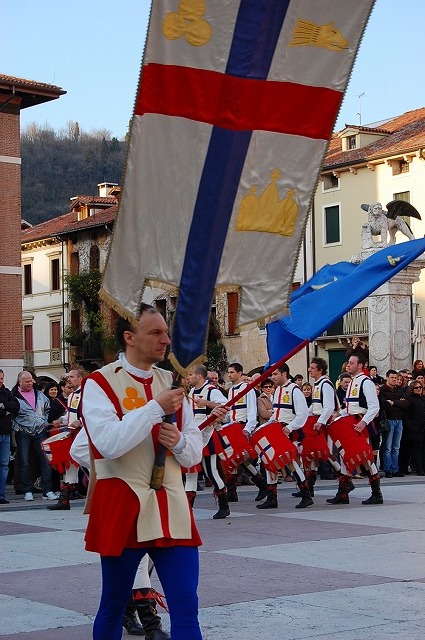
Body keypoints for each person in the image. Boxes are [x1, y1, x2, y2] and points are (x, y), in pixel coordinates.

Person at [81, 303, 224, 640]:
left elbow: (191, 453)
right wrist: (154, 408)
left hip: (171, 507)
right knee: (114, 604)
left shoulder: (172, 382)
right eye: (156, 332)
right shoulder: (99, 383)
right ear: (130, 337)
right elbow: (110, 443)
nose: (166, 340)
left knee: (187, 605)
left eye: (166, 332)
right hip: (123, 505)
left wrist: (176, 442)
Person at [326, 352, 383, 506]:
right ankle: (343, 493)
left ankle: (377, 494)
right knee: (346, 456)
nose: (348, 365)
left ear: (360, 365)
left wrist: (363, 423)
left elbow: (374, 407)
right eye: (348, 362)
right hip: (352, 424)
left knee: (366, 459)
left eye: (352, 363)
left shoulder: (366, 382)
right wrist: (339, 415)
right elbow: (351, 407)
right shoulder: (352, 382)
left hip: (361, 425)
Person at [257, 363, 313, 510]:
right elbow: (276, 412)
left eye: (275, 374)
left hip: (287, 431)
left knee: (291, 463)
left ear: (284, 374)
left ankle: (306, 495)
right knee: (271, 461)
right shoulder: (277, 390)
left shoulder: (294, 390)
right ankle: (272, 498)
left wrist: (289, 428)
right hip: (277, 430)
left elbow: (302, 414)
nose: (272, 377)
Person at [186, 365, 229, 519]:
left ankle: (224, 505)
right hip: (193, 434)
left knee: (211, 471)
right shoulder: (191, 391)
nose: (188, 377)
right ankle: (187, 509)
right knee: (190, 472)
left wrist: (207, 403)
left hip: (207, 434)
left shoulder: (212, 390)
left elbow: (225, 406)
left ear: (199, 376)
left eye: (191, 374)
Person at [223, 363, 268, 502]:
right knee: (233, 458)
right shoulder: (230, 391)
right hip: (232, 426)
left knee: (241, 458)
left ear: (239, 373)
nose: (229, 375)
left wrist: (248, 429)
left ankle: (261, 484)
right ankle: (233, 490)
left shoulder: (247, 389)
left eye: (232, 372)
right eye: (228, 372)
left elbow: (251, 411)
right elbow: (231, 412)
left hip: (242, 427)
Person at [12, 371, 57, 501]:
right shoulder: (14, 396)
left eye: (31, 380)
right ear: (19, 382)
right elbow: (12, 414)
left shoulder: (40, 394)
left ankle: (47, 490)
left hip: (40, 431)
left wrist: (45, 422)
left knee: (46, 459)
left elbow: (48, 409)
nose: (30, 383)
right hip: (23, 432)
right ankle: (27, 490)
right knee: (24, 461)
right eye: (27, 381)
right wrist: (18, 427)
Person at [47, 369, 84, 510]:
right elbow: (71, 414)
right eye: (68, 377)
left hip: (85, 434)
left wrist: (80, 421)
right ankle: (64, 500)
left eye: (72, 377)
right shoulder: (73, 395)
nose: (68, 379)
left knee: (89, 464)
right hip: (73, 434)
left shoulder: (87, 394)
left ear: (80, 379)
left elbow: (92, 412)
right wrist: (61, 420)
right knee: (70, 464)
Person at [379, 369, 409, 478]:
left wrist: (394, 402)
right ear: (387, 377)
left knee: (396, 446)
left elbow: (405, 403)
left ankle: (395, 469)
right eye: (392, 377)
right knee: (388, 447)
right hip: (389, 420)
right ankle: (388, 469)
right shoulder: (383, 390)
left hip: (399, 420)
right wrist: (398, 402)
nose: (394, 380)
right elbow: (385, 404)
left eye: (396, 378)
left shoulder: (399, 389)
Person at [0, 370, 20, 504]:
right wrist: (5, 411)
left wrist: (4, 406)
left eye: (2, 378)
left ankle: (1, 495)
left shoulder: (6, 392)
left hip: (5, 433)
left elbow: (16, 406)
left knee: (4, 465)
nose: (0, 381)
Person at [405, 381, 425, 475]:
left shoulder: (423, 399)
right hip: (415, 428)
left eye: (420, 387)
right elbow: (407, 416)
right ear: (412, 389)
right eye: (416, 388)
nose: (419, 389)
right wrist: (412, 427)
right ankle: (419, 469)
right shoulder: (409, 400)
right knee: (416, 450)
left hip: (422, 428)